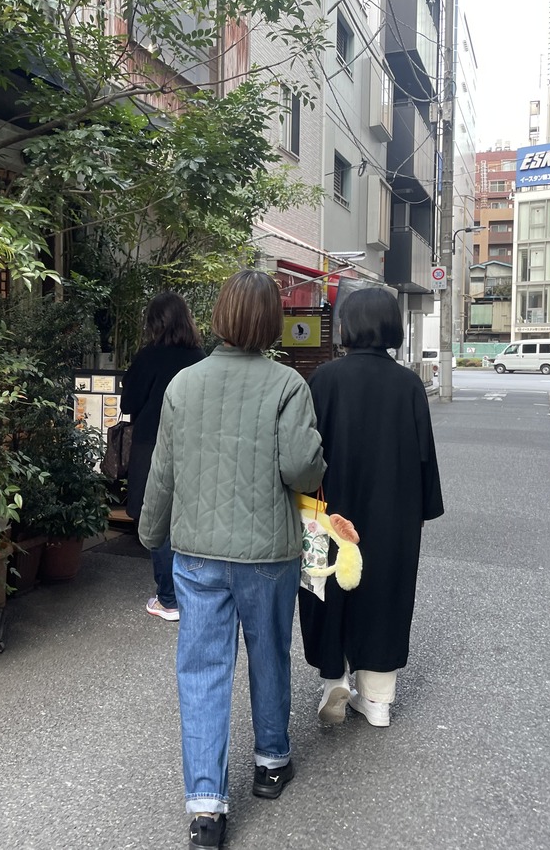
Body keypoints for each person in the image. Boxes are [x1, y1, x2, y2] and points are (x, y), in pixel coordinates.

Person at [139, 269, 325, 849]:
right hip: (268, 552)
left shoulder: (183, 385)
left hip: (196, 553)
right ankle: (270, 762)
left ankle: (206, 810)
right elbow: (302, 469)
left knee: (202, 669)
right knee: (269, 653)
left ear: (219, 316)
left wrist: (150, 532)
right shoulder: (288, 385)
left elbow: (163, 471)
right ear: (273, 322)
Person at [299, 287, 444, 728]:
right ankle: (378, 701)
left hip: (329, 511)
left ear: (348, 327)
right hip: (394, 513)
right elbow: (424, 456)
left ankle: (334, 679)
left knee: (328, 586)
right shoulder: (409, 384)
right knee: (386, 593)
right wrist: (422, 511)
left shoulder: (324, 379)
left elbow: (306, 452)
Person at [121, 292, 206, 622]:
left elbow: (129, 403)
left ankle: (168, 599)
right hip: (194, 445)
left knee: (158, 517)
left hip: (151, 444)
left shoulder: (148, 357)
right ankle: (190, 592)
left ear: (155, 322)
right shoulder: (200, 358)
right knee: (187, 517)